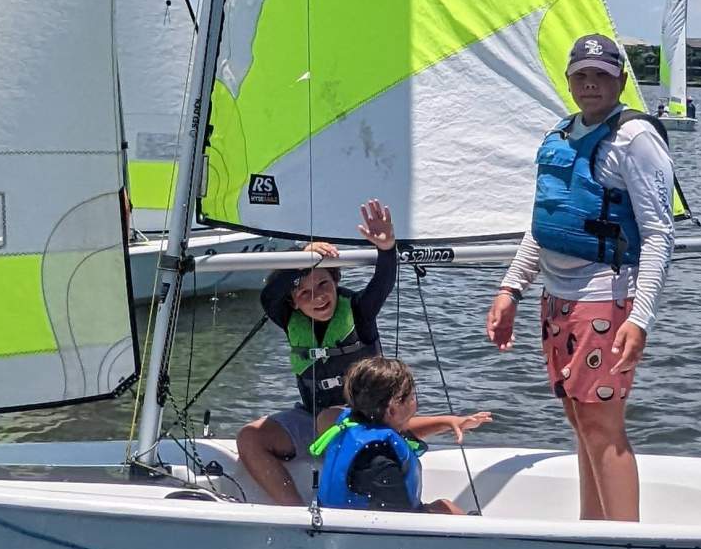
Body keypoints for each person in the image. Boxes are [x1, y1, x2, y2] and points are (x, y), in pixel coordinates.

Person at [484, 32, 674, 523]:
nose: (590, 84)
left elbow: (658, 234)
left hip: (606, 299)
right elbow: (544, 223)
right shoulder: (561, 133)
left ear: (621, 80)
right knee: (579, 419)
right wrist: (511, 288)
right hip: (557, 299)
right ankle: (595, 529)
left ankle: (625, 543)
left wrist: (641, 317)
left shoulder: (634, 139)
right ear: (569, 79)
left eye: (602, 76)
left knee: (601, 425)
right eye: (581, 75)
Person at [235, 199, 402, 506]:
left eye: (324, 284)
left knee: (330, 416)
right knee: (249, 437)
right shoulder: (289, 320)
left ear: (336, 282)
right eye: (305, 292)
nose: (319, 297)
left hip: (363, 421)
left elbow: (382, 283)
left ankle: (341, 504)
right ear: (294, 302)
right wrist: (303, 257)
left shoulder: (359, 312)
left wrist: (387, 248)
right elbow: (269, 294)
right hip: (311, 417)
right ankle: (295, 511)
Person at [310, 355, 491, 515]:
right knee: (449, 511)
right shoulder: (378, 459)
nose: (416, 403)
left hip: (343, 521)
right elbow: (400, 522)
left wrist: (450, 422)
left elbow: (403, 430)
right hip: (368, 539)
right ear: (391, 409)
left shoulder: (350, 423)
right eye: (412, 397)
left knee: (445, 507)